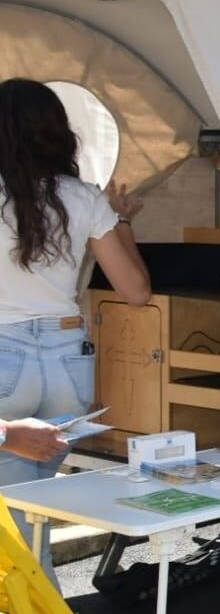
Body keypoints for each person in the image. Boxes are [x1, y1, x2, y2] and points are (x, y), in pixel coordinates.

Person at [1, 78, 150, 582]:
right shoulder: (83, 197)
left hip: (5, 360)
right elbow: (136, 291)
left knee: (18, 526)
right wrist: (121, 221)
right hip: (67, 364)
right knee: (29, 510)